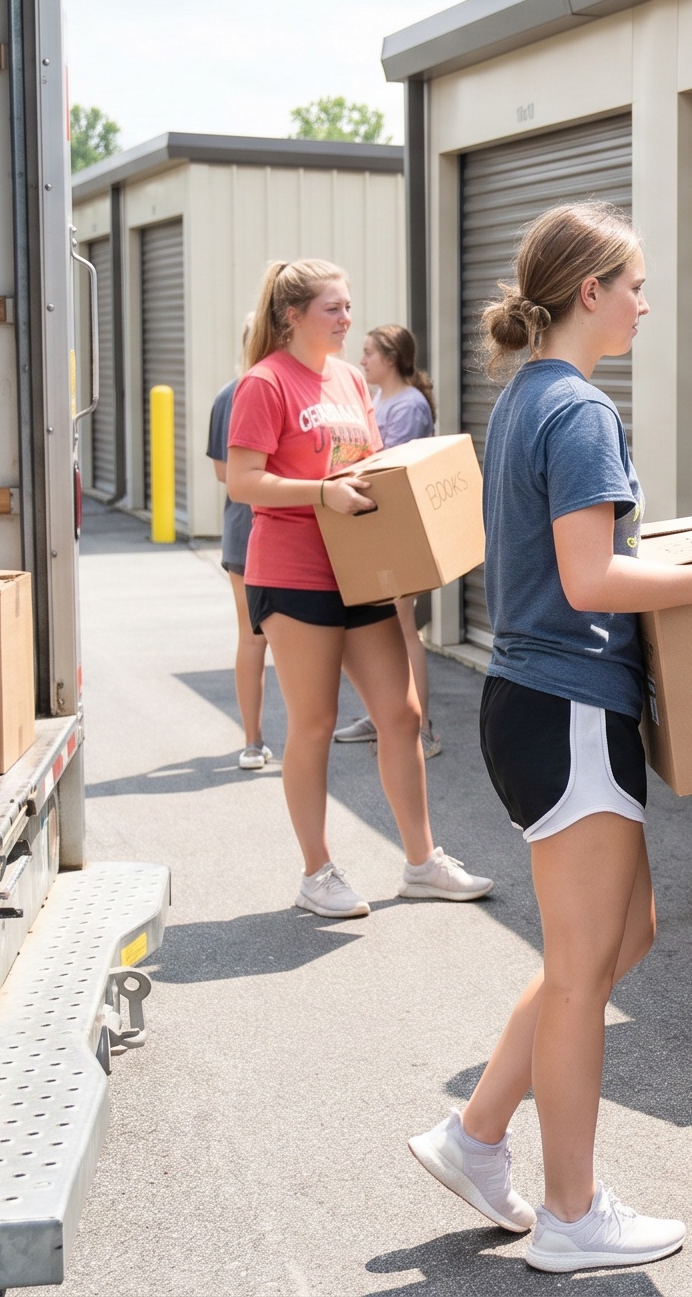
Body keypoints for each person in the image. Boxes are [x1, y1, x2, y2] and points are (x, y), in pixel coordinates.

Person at [404, 202, 692, 1274]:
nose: (644, 303)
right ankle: (570, 1215)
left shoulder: (529, 396)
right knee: (583, 969)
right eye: (632, 284)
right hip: (567, 704)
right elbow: (589, 578)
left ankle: (476, 1134)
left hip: (551, 702)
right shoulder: (576, 410)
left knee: (625, 938)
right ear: (589, 293)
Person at [223, 258, 493, 918]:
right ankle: (317, 873)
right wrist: (320, 492)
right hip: (293, 570)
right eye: (333, 309)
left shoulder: (347, 378)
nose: (348, 320)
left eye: (348, 308)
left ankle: (422, 863)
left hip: (358, 569)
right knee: (313, 723)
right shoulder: (264, 383)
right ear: (292, 315)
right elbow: (241, 481)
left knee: (399, 715)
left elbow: (369, 466)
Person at [333, 322, 444, 759]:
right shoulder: (382, 399)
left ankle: (420, 729)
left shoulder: (409, 406)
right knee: (388, 630)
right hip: (380, 532)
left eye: (369, 353)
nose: (361, 361)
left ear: (391, 359)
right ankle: (384, 717)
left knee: (402, 628)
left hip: (402, 533)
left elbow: (389, 467)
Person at [206, 328, 271, 771]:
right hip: (267, 533)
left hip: (241, 532)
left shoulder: (228, 394)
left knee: (252, 638)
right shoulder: (278, 387)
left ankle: (253, 742)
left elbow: (223, 472)